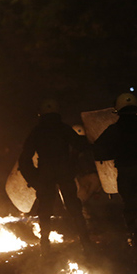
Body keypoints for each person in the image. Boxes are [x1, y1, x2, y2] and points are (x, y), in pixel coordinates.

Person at [18, 99, 92, 256]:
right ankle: (86, 243)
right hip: (64, 170)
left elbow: (24, 158)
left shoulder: (37, 131)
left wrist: (33, 178)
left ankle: (44, 245)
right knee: (74, 208)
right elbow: (81, 146)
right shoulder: (64, 129)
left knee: (45, 209)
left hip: (45, 172)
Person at [93, 93, 137, 249]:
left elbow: (98, 151)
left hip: (125, 171)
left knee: (129, 203)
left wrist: (113, 153)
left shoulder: (114, 129)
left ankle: (133, 234)